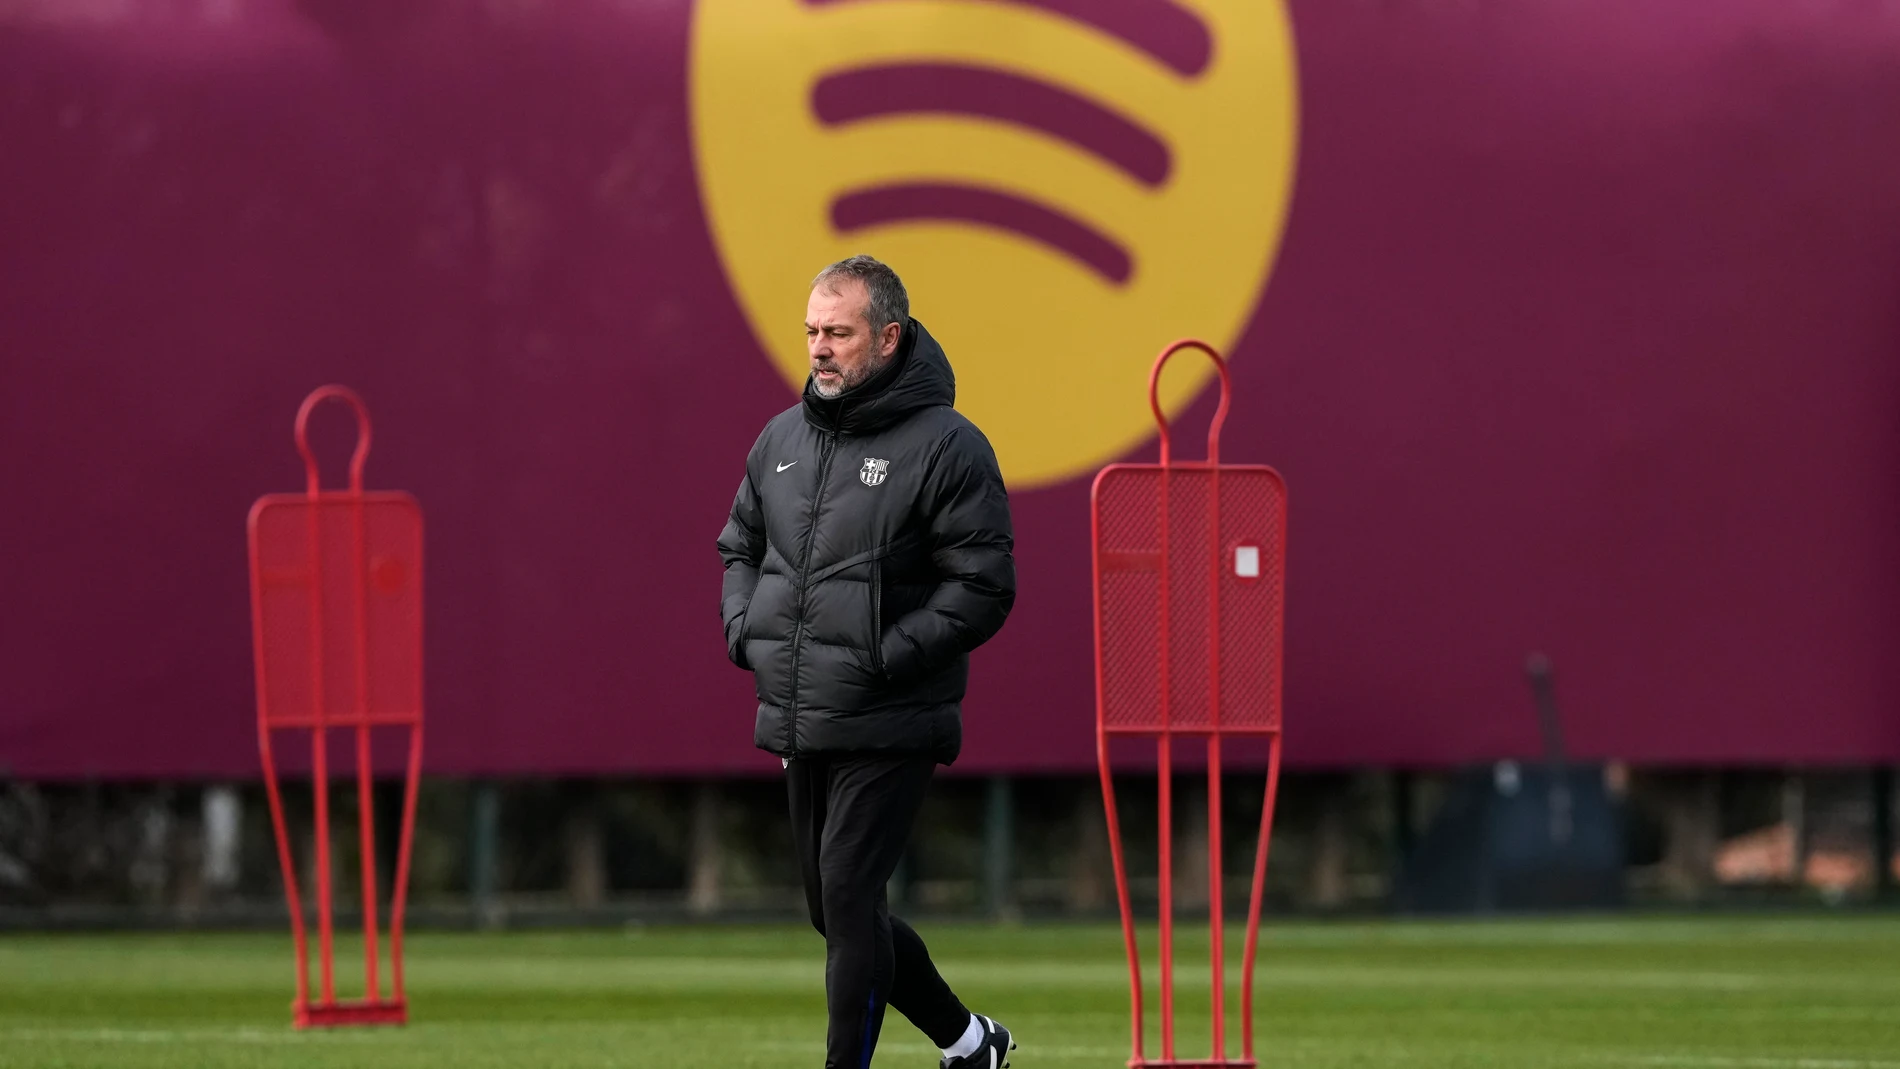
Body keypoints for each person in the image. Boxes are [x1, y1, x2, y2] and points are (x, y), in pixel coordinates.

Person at [718, 255, 1019, 1069]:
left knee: (850, 896)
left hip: (893, 714)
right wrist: (746, 628)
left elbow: (985, 586)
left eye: (838, 332)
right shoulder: (781, 437)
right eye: (813, 330)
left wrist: (888, 656)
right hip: (800, 706)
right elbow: (738, 547)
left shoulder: (950, 445)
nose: (819, 347)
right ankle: (969, 1040)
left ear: (887, 337)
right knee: (837, 911)